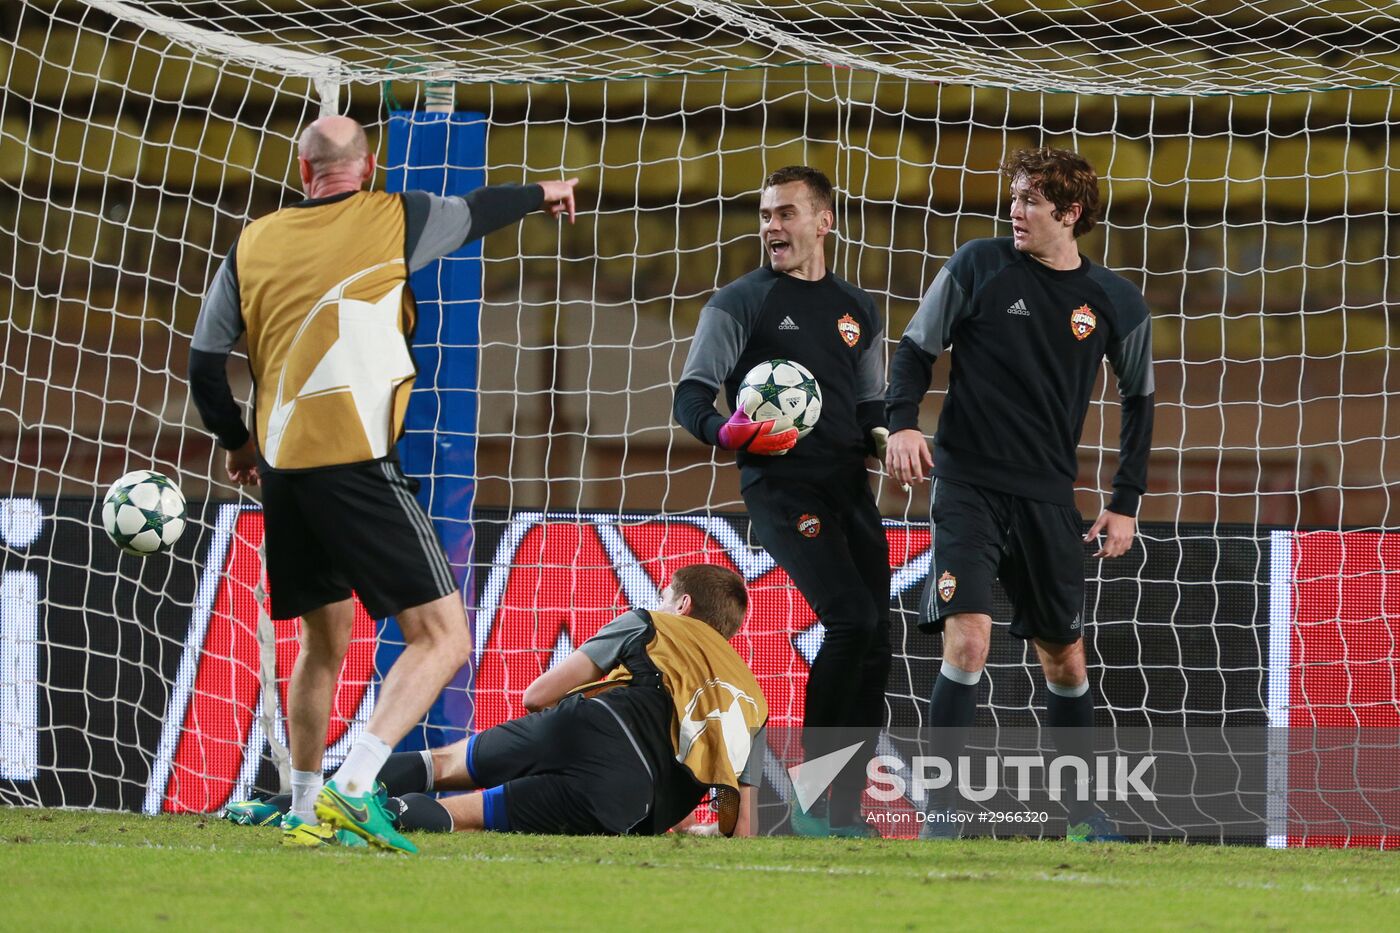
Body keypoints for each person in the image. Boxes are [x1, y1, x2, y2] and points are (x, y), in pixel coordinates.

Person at [189, 115, 579, 852]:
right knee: (444, 636)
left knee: (323, 639)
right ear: (366, 167)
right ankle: (356, 782)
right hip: (357, 463)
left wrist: (239, 443)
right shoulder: (394, 216)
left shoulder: (253, 241)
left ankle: (303, 805)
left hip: (284, 473)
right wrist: (545, 191)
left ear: (304, 172)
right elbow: (480, 208)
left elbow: (205, 362)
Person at [884, 147, 1154, 840]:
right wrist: (903, 425)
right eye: (1014, 197)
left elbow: (1140, 402)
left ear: (1070, 213)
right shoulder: (978, 263)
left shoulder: (1117, 302)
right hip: (968, 483)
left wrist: (1124, 500)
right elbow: (915, 349)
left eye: (1031, 200)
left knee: (1064, 656)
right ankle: (942, 814)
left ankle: (1082, 814)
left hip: (1046, 497)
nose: (1015, 211)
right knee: (967, 641)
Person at [224, 564, 767, 837]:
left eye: (667, 594)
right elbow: (737, 827)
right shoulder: (755, 702)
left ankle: (278, 808)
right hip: (629, 804)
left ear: (683, 603)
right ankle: (375, 819)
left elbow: (537, 695)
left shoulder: (656, 624)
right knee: (465, 815)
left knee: (443, 765)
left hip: (592, 726)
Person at [673, 166, 891, 836]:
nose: (772, 226)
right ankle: (812, 794)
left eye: (786, 213)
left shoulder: (858, 310)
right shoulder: (739, 303)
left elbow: (871, 406)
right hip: (781, 486)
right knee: (852, 619)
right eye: (766, 214)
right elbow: (690, 397)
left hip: (848, 485)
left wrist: (892, 443)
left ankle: (841, 807)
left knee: (878, 638)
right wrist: (724, 431)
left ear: (824, 222)